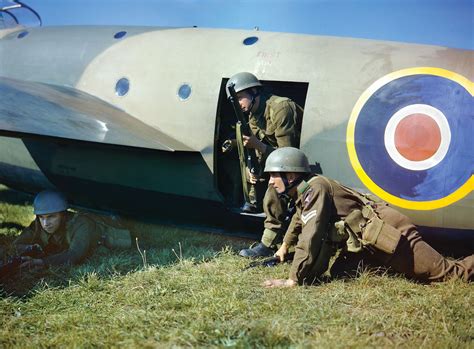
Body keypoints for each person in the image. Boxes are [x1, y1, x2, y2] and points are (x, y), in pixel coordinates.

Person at [261, 147, 473, 287]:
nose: (270, 181)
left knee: (448, 275)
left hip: (389, 233)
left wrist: (293, 279)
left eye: (273, 175)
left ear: (291, 175)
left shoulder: (316, 189)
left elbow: (310, 235)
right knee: (340, 276)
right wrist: (284, 246)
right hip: (366, 241)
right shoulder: (307, 189)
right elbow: (301, 216)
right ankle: (392, 266)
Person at [226, 72, 303, 258]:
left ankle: (268, 244)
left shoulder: (281, 108)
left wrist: (258, 146)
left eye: (240, 97)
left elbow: (288, 157)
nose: (239, 104)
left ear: (254, 92)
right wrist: (255, 170)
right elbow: (257, 149)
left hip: (295, 163)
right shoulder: (252, 115)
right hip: (279, 159)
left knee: (274, 190)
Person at [12, 190, 131, 271]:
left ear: (63, 215)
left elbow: (75, 255)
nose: (45, 223)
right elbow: (16, 245)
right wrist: (31, 249)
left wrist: (42, 262)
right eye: (41, 217)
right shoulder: (39, 224)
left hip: (116, 236)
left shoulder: (81, 224)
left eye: (51, 217)